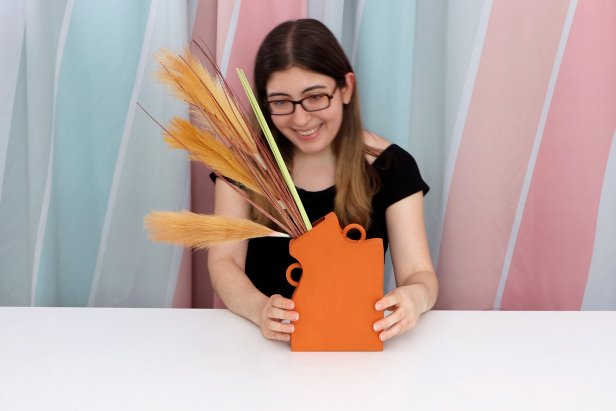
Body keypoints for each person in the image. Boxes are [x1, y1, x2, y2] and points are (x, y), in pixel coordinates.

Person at [208, 18, 438, 343]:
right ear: (264, 104)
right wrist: (259, 309)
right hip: (259, 349)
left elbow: (420, 273)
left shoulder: (393, 166)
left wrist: (416, 297)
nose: (301, 119)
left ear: (345, 88)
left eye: (315, 97)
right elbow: (224, 261)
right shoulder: (245, 164)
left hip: (354, 350)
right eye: (281, 102)